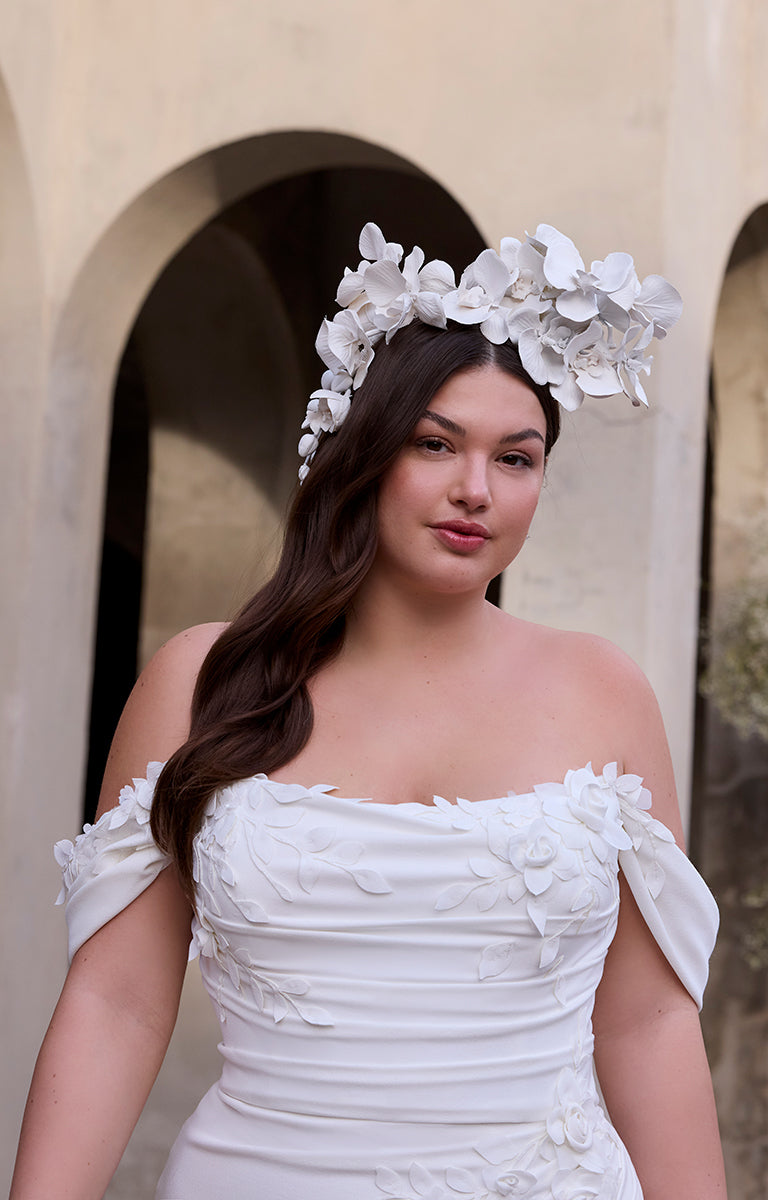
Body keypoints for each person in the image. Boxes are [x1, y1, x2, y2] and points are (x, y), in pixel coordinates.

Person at [11, 223, 727, 1200]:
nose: (476, 490)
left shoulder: (603, 692)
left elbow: (647, 1022)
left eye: (515, 459)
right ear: (363, 452)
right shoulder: (200, 683)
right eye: (436, 445)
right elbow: (116, 1003)